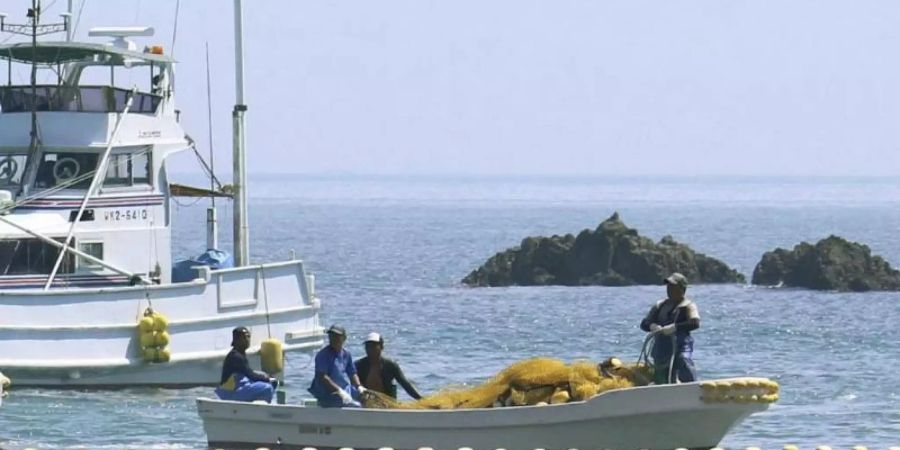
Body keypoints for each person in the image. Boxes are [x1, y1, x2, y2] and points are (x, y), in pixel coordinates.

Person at [639, 272, 700, 384]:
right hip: (661, 347)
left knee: (684, 361)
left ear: (682, 289)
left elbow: (695, 323)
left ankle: (692, 387)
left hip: (681, 345)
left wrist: (675, 327)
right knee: (662, 376)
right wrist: (652, 326)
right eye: (668, 286)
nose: (669, 289)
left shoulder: (688, 305)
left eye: (673, 286)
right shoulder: (660, 305)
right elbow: (644, 323)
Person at [308, 324, 367, 407]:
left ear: (344, 338)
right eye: (331, 336)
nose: (333, 339)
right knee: (356, 406)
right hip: (328, 394)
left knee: (366, 398)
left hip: (344, 389)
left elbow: (352, 373)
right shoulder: (322, 355)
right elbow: (322, 377)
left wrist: (359, 387)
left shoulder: (346, 354)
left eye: (336, 336)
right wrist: (339, 391)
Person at [215, 326, 278, 402]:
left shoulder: (240, 353)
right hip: (230, 393)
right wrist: (267, 379)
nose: (248, 340)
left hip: (238, 387)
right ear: (237, 340)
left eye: (249, 337)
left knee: (263, 377)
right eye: (245, 337)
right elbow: (250, 374)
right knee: (267, 388)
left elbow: (248, 373)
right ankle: (263, 409)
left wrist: (265, 377)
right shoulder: (235, 356)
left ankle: (255, 403)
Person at [355, 332, 423, 400]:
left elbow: (405, 384)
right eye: (368, 347)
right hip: (365, 401)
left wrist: (420, 399)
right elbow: (353, 383)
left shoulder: (390, 365)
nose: (370, 349)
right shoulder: (359, 365)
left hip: (386, 402)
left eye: (373, 346)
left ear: (382, 347)